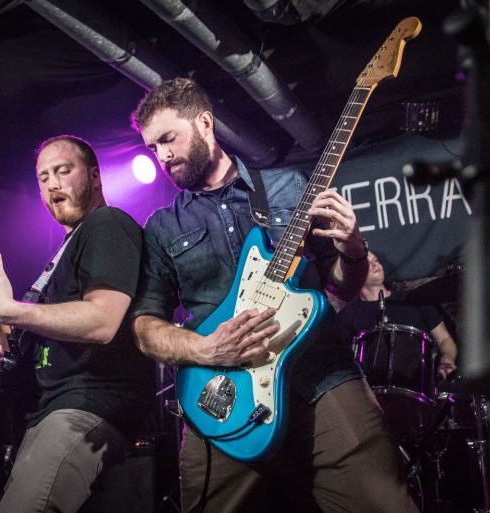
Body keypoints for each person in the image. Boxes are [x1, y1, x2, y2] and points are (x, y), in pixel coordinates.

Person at [130, 77, 418, 512]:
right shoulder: (161, 226)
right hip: (223, 392)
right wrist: (206, 349)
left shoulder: (289, 188)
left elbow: (340, 287)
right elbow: (145, 327)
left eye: (168, 139)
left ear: (204, 123)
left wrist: (354, 250)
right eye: (153, 148)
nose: (162, 156)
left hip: (319, 374)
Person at [0, 135, 155, 513]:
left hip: (86, 406)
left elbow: (102, 320)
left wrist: (10, 310)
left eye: (63, 171)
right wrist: (5, 356)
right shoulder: (65, 250)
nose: (52, 183)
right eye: (43, 177)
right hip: (49, 409)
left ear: (95, 176)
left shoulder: (107, 223)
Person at [336, 251, 459, 381]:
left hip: (421, 386)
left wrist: (447, 360)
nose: (375, 263)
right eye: (366, 262)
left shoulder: (417, 298)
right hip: (369, 389)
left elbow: (444, 339)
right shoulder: (348, 315)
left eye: (375, 260)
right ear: (352, 274)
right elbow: (339, 359)